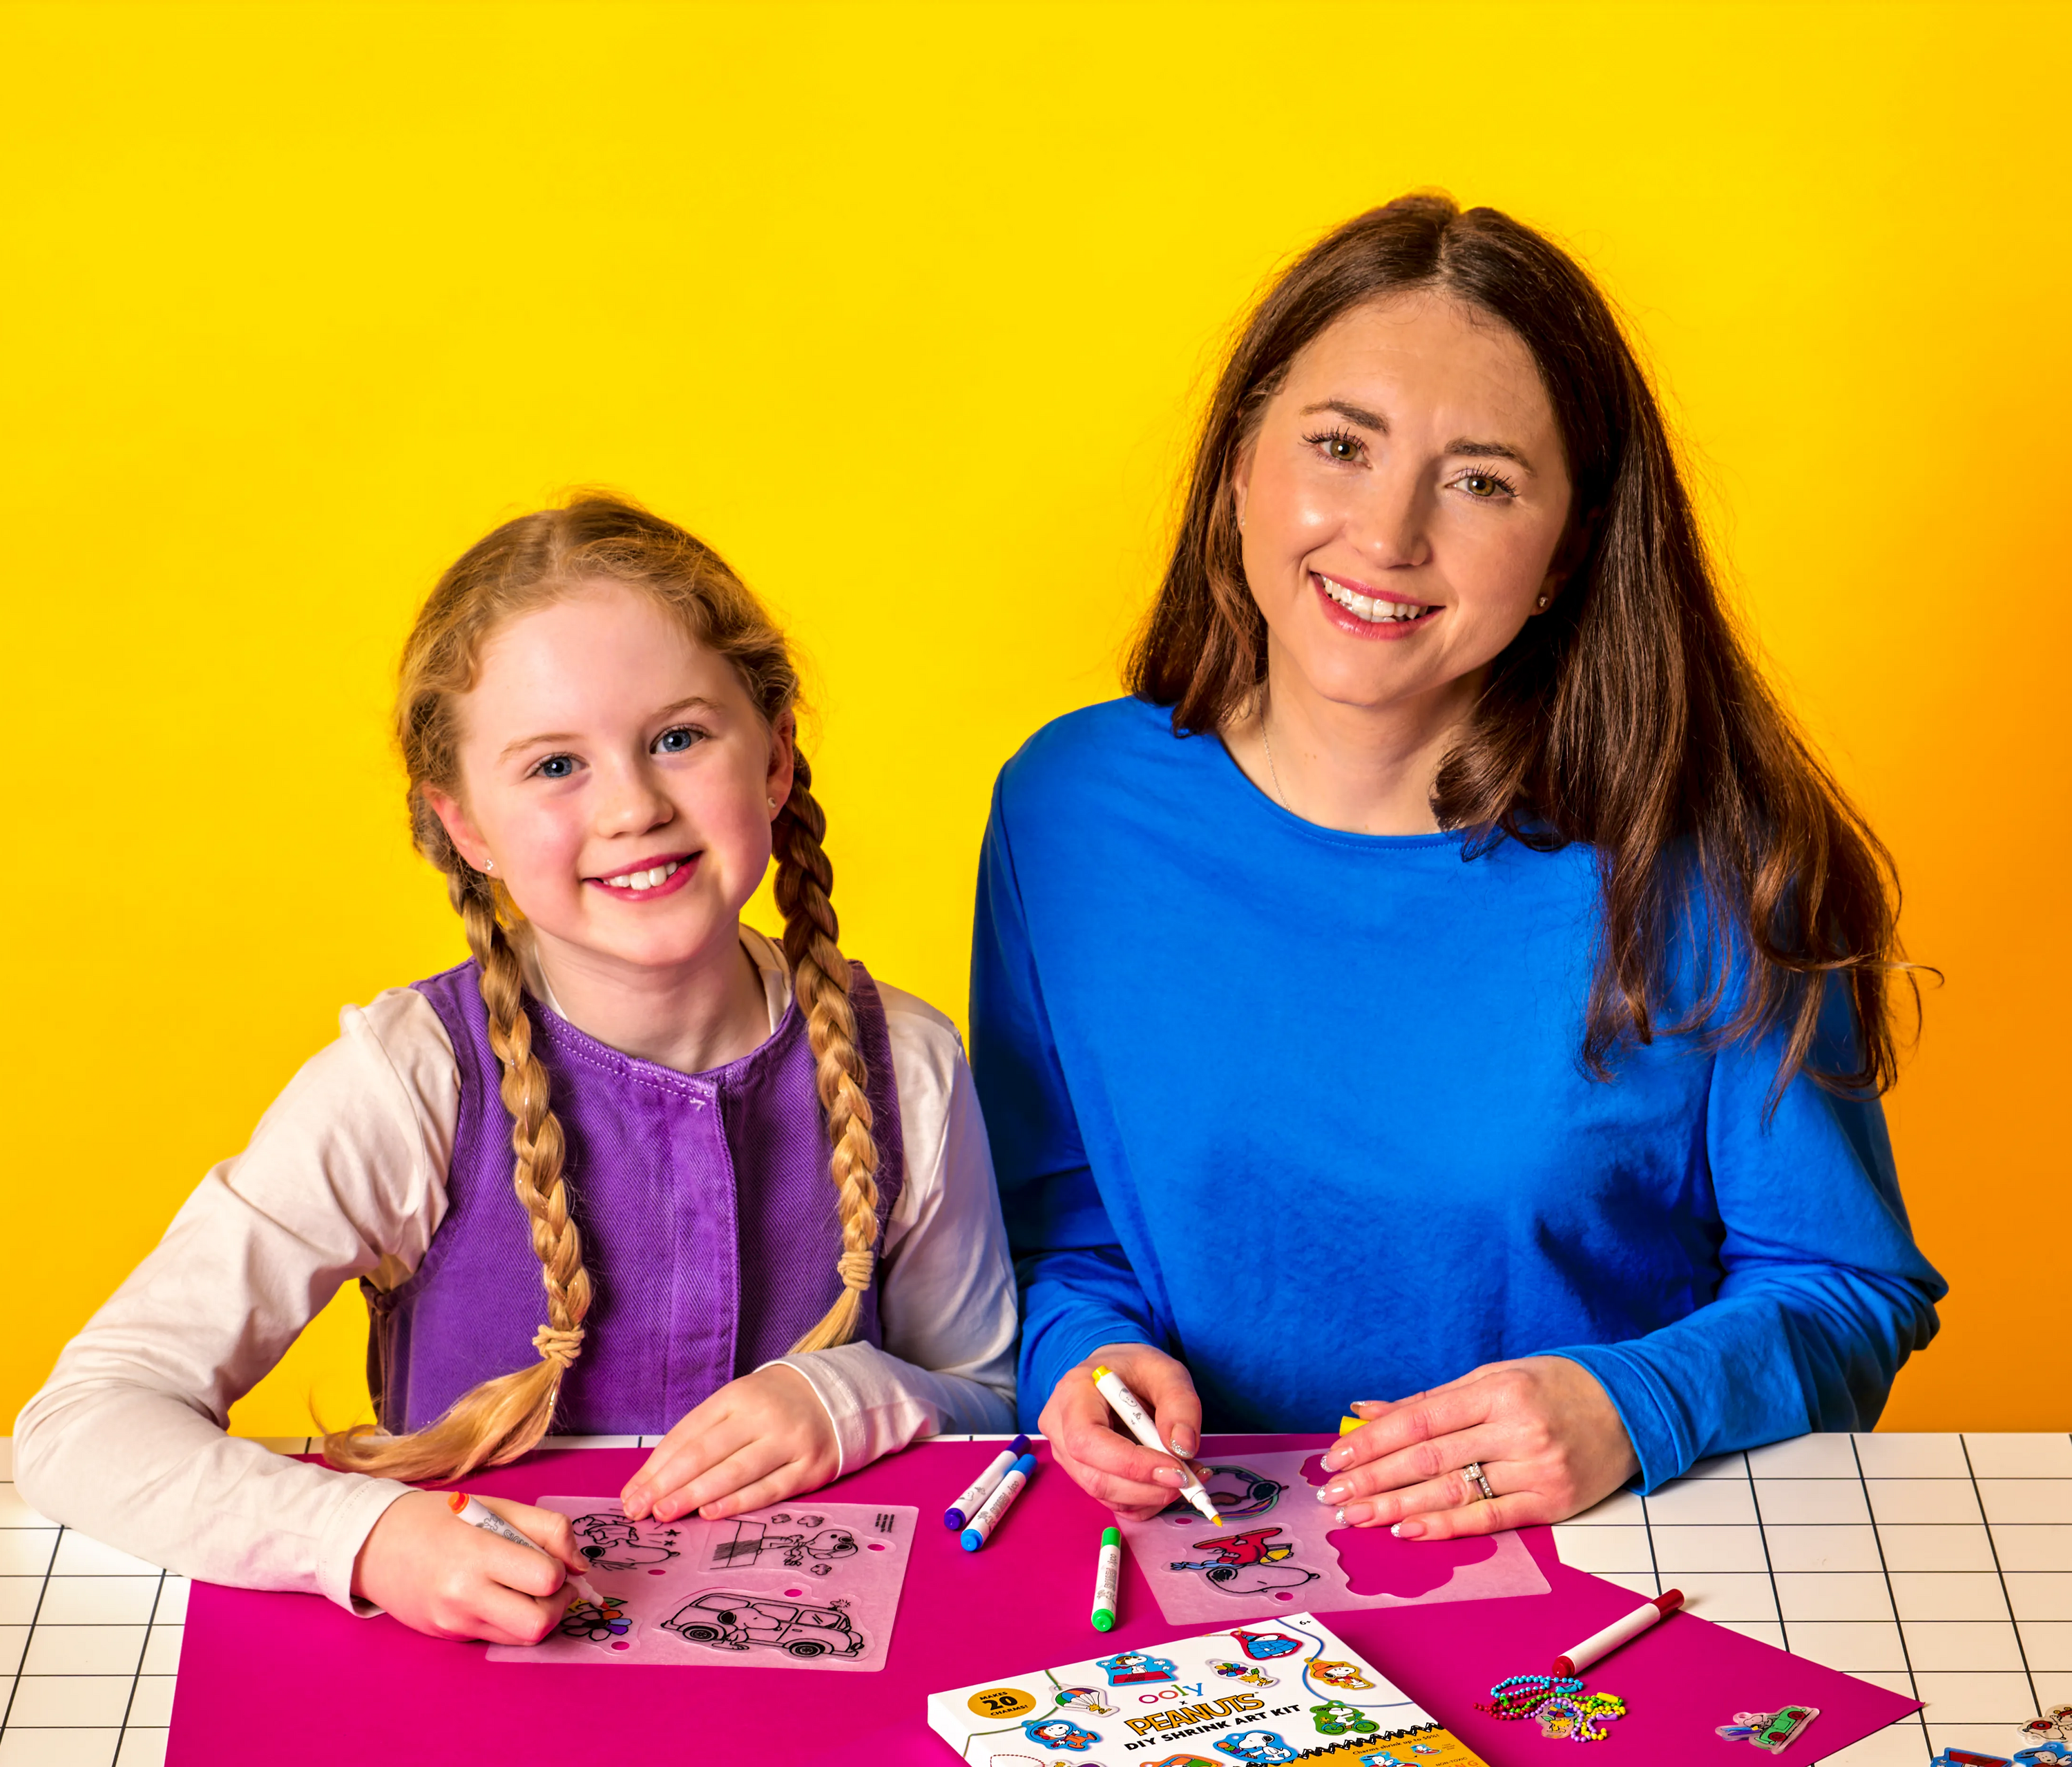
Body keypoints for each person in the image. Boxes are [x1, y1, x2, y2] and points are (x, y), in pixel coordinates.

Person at [971, 195, 1943, 1541]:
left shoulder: (1702, 852)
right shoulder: (1066, 813)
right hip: (1205, 1569)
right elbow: (1065, 1232)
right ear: (1242, 458)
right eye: (1339, 448)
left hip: (1613, 1576)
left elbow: (1847, 1291)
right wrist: (1084, 1362)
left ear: (1570, 548)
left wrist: (1630, 1408)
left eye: (1481, 479)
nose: (1389, 534)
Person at [17, 496, 1015, 1640]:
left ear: (778, 755)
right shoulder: (409, 1081)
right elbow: (82, 1423)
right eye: (554, 764)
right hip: (486, 1685)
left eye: (679, 737)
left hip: (832, 1681)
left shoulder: (911, 1066)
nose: (634, 806)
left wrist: (855, 1392)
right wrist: (369, 1537)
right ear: (467, 827)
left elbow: (991, 1398)